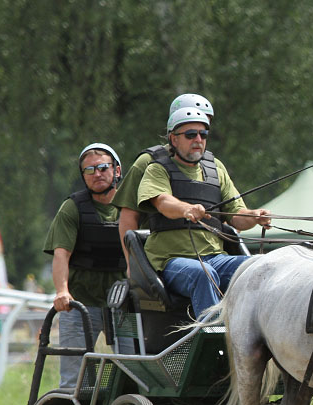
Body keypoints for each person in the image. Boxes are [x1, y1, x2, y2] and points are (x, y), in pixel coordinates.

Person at [137, 107, 270, 317]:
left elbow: (236, 216)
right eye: (190, 134)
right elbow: (163, 202)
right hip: (172, 261)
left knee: (261, 267)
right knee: (204, 274)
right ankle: (214, 336)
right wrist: (186, 209)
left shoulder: (216, 170)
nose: (198, 139)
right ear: (173, 139)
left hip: (215, 257)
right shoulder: (157, 169)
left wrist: (254, 216)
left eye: (203, 134)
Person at [43, 143, 133, 387]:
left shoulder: (132, 207)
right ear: (83, 176)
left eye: (103, 167)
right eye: (89, 170)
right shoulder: (72, 208)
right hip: (80, 302)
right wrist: (62, 291)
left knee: (137, 370)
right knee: (76, 379)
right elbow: (61, 254)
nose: (97, 174)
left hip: (124, 301)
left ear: (116, 170)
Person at [114, 93, 215, 272]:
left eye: (204, 128)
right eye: (191, 131)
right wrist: (133, 265)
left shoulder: (211, 166)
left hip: (207, 252)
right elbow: (129, 217)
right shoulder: (149, 162)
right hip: (165, 255)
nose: (199, 135)